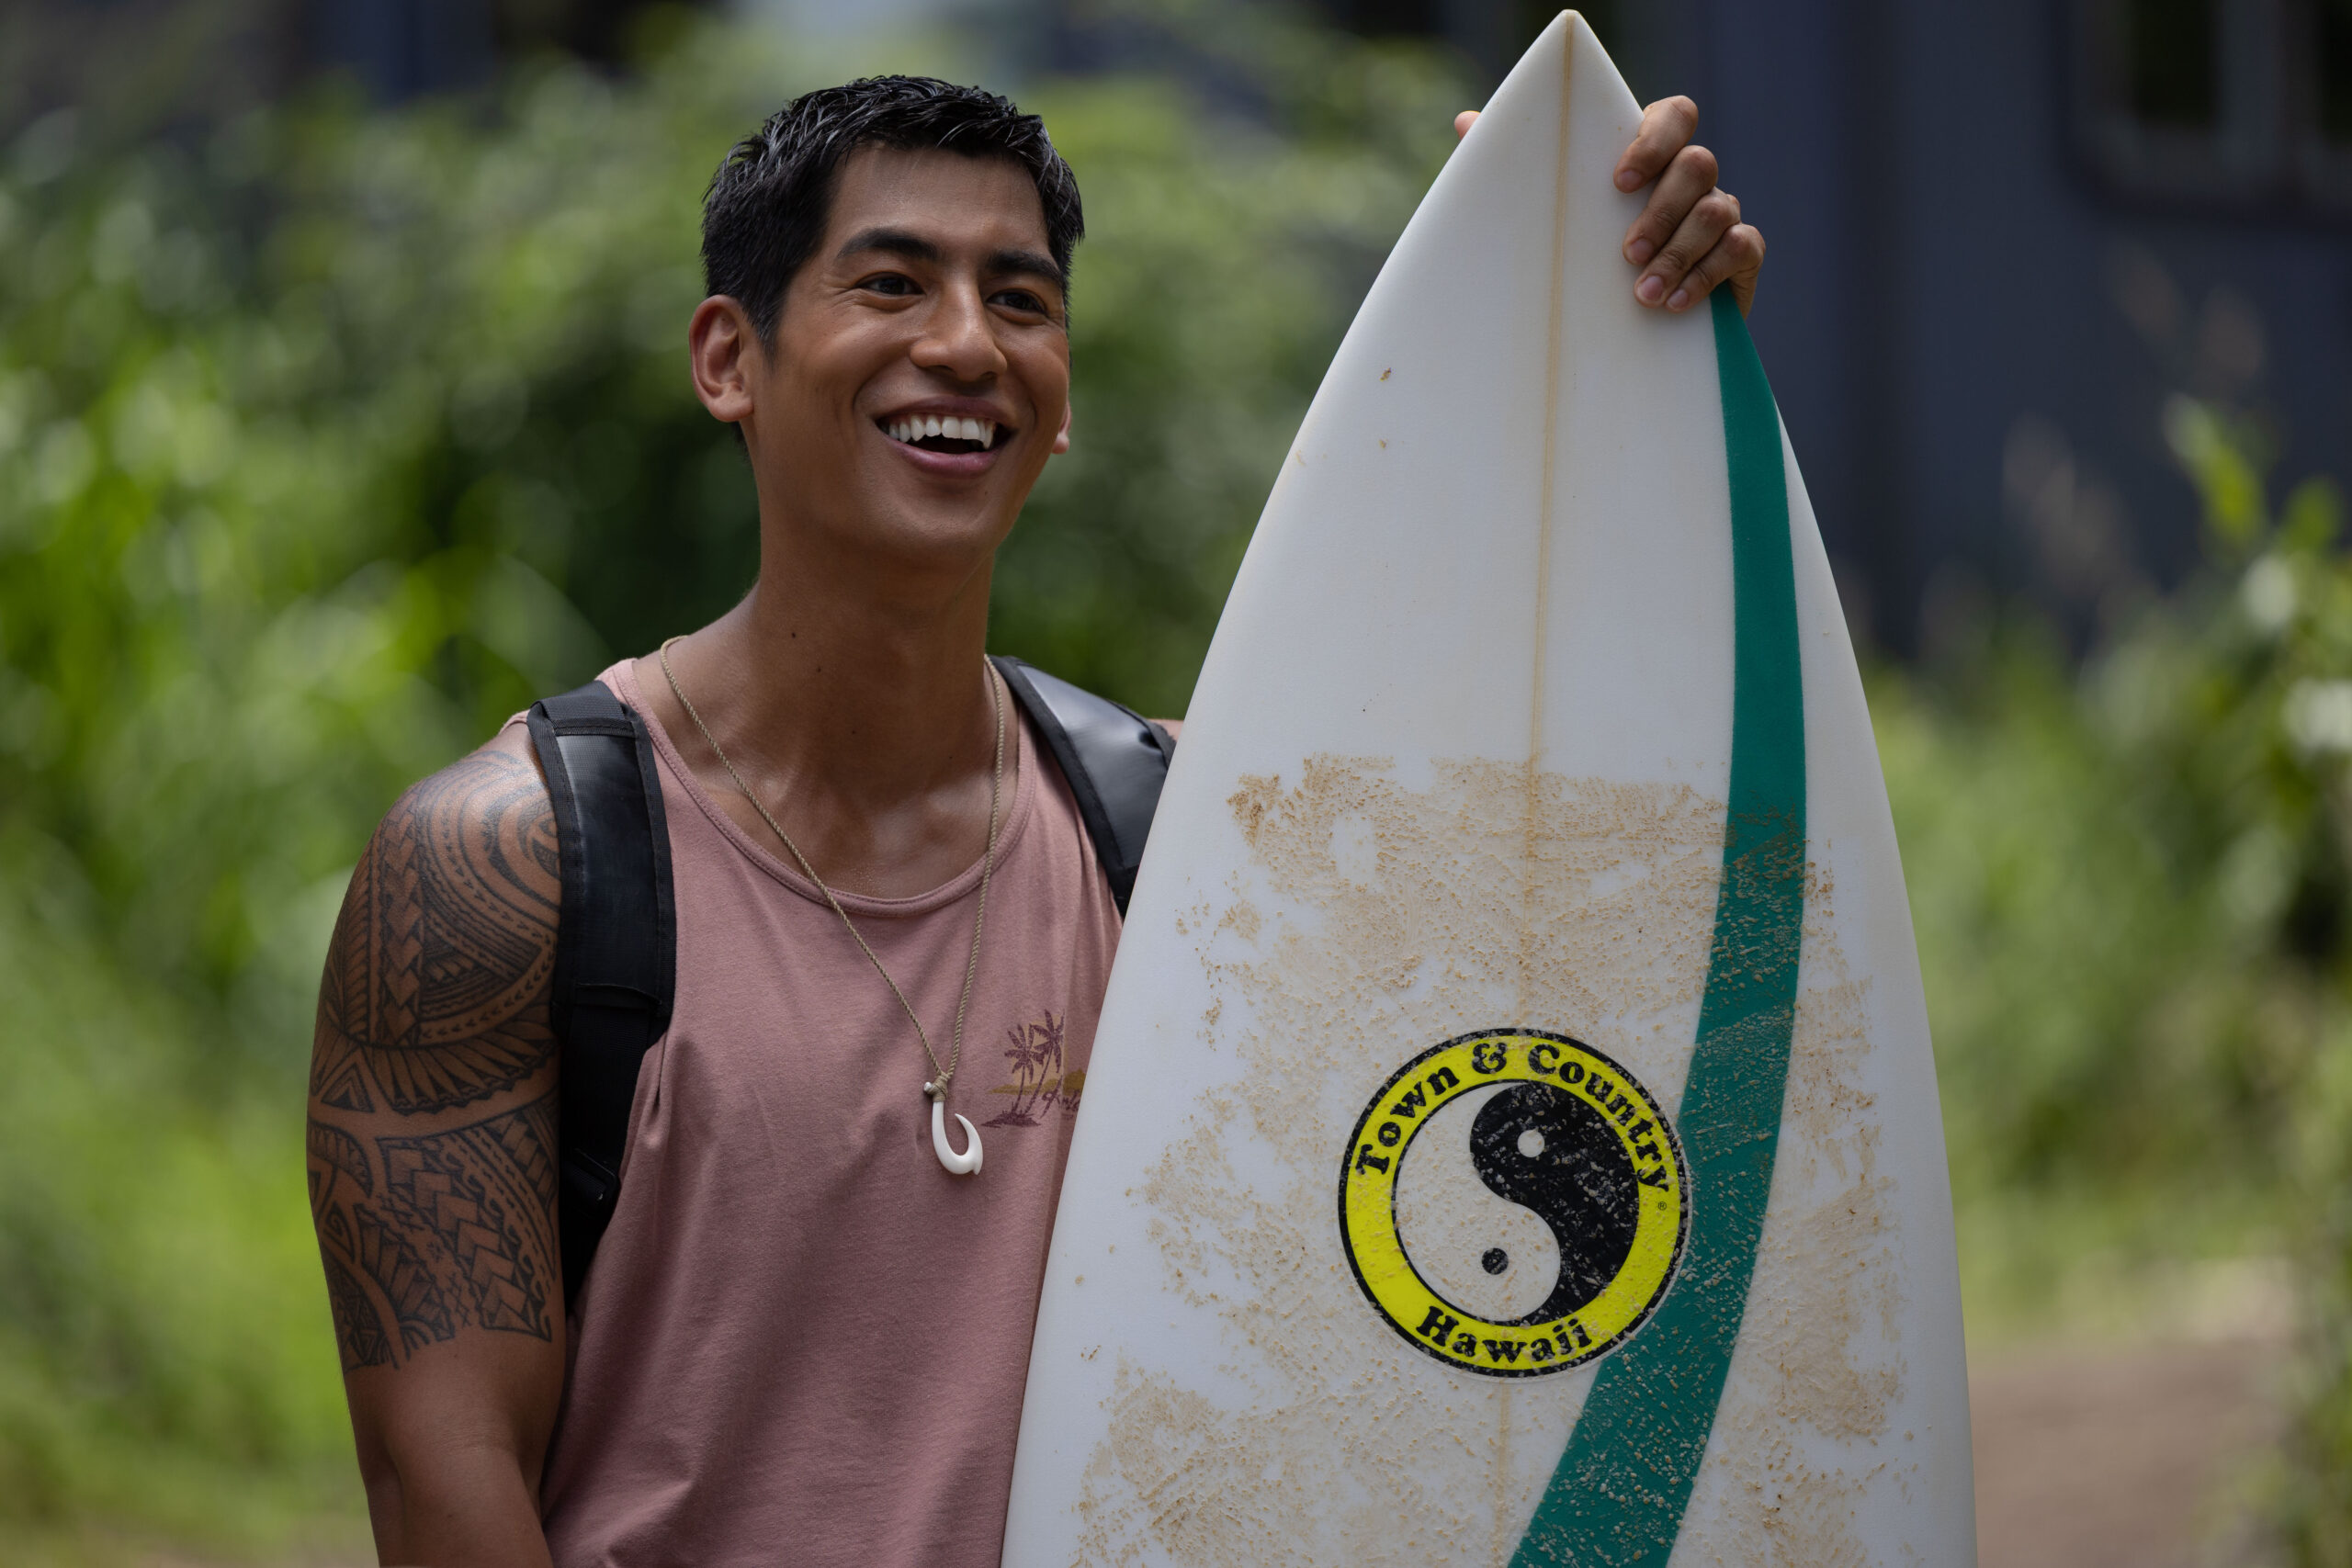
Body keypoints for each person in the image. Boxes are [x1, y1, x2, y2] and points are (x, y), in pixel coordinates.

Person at [303, 74, 1764, 1567]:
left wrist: (1600, 338)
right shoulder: (508, 871)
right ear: (729, 358)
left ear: (1060, 398)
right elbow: (444, 1486)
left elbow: (1575, 840)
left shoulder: (1188, 845)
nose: (967, 343)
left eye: (1021, 301)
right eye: (892, 283)